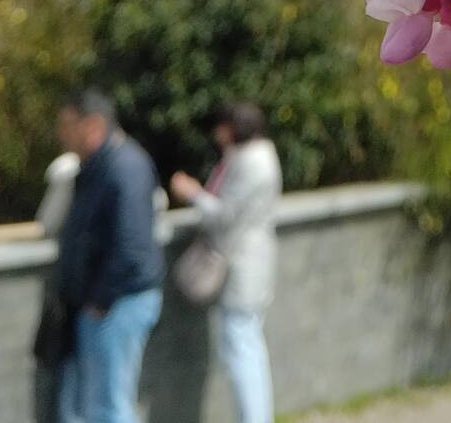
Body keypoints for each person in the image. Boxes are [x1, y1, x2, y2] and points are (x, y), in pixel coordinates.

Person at [55, 89, 165, 423]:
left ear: (93, 125)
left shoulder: (124, 167)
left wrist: (99, 301)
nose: (61, 134)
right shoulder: (101, 165)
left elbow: (131, 246)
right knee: (95, 404)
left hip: (118, 304)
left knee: (109, 406)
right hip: (105, 302)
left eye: (67, 125)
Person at [170, 101, 282, 423]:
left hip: (240, 268)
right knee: (247, 347)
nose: (216, 133)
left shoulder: (251, 162)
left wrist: (192, 194)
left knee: (241, 351)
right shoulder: (256, 156)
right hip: (252, 266)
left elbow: (225, 216)